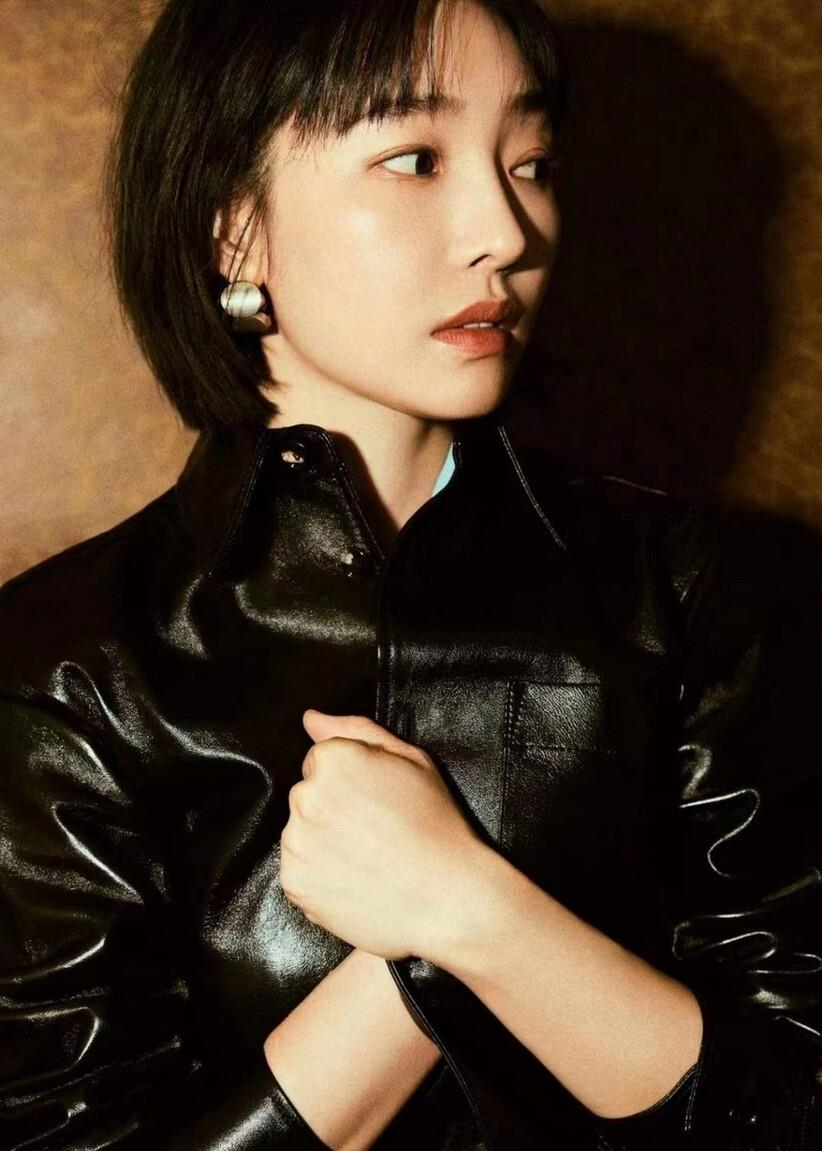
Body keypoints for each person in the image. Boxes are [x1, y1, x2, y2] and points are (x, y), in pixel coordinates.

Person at [1, 0, 821, 1148]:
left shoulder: (703, 590)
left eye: (531, 163)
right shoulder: (67, 665)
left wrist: (470, 907)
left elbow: (797, 1094)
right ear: (233, 225)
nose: (506, 231)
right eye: (415, 159)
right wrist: (408, 970)